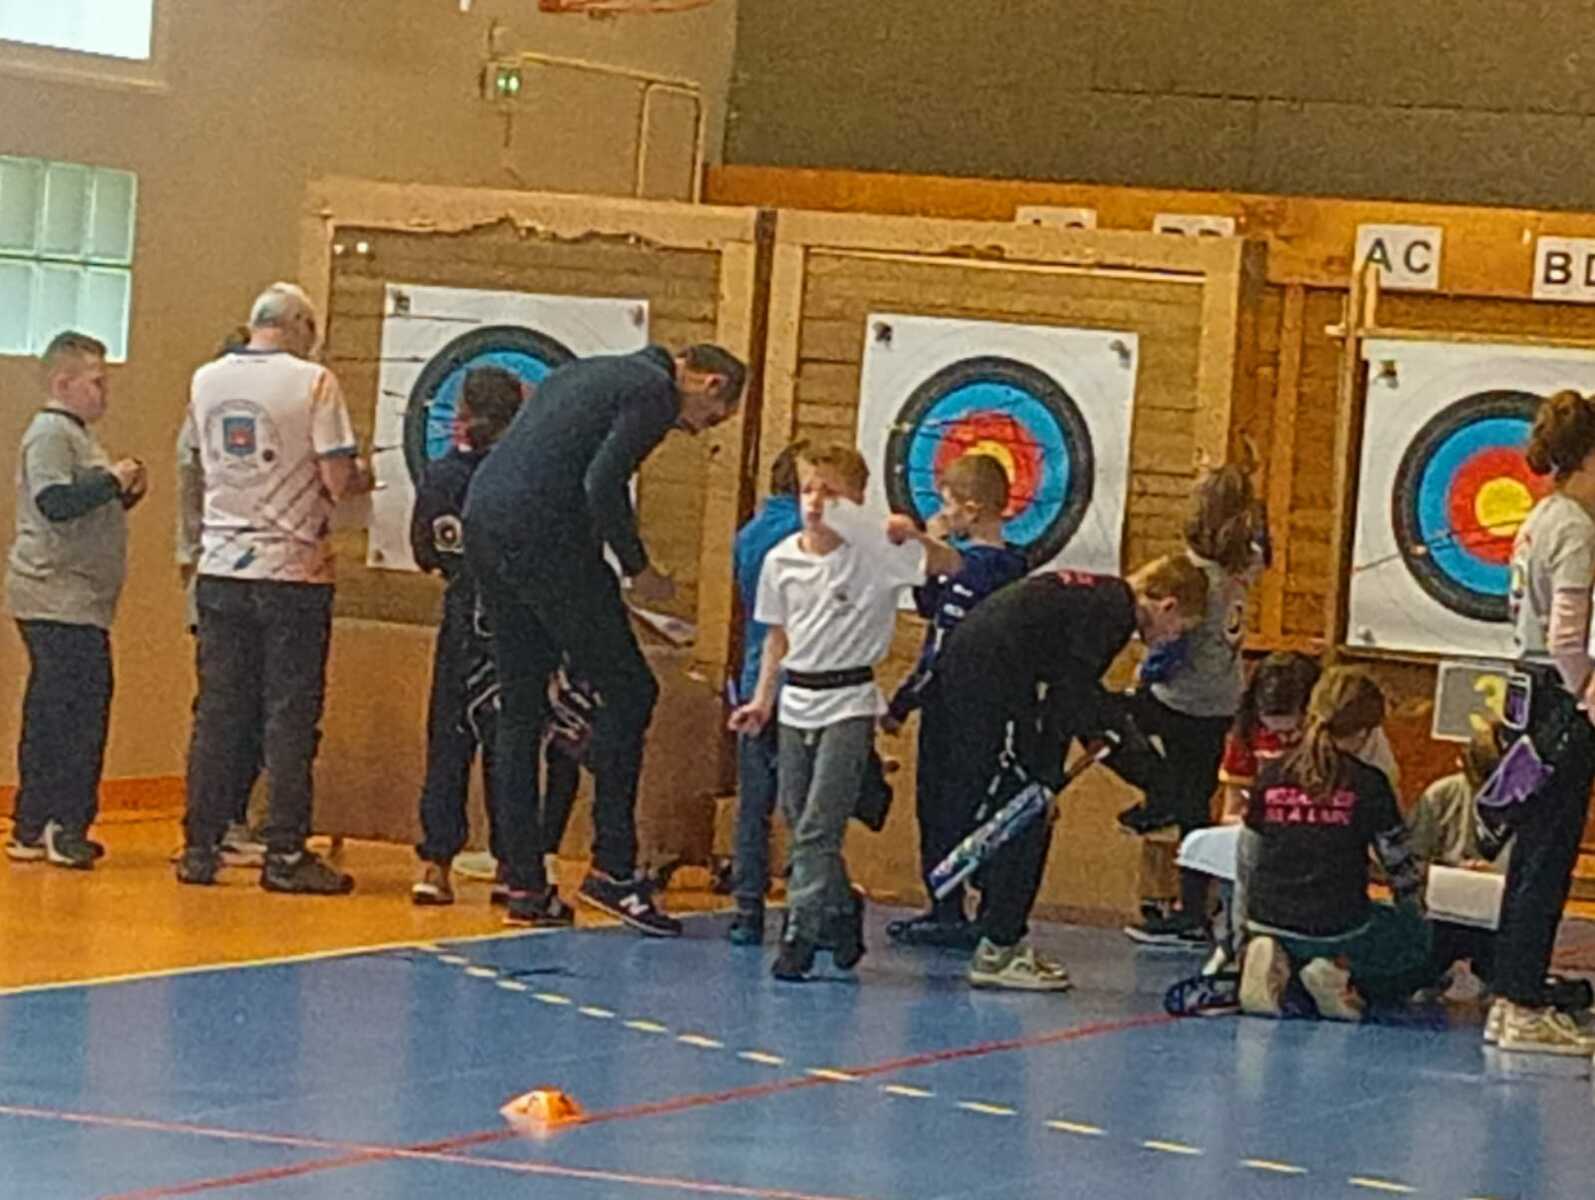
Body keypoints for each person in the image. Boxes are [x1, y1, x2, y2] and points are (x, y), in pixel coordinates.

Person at [463, 343, 746, 935]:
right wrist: (638, 569)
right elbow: (603, 483)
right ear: (710, 383)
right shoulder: (653, 391)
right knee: (632, 689)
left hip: (485, 520)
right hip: (544, 535)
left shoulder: (587, 370)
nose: (697, 431)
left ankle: (524, 880)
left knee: (520, 705)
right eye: (712, 418)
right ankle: (613, 869)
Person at [729, 443, 962, 981]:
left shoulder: (875, 554)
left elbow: (950, 564)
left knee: (820, 824)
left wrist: (917, 537)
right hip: (796, 700)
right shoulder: (781, 559)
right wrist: (762, 700)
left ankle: (800, 931)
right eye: (809, 490)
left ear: (855, 500)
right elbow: (776, 636)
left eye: (831, 493)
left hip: (849, 702)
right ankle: (840, 906)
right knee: (795, 815)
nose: (816, 502)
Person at [926, 555, 1209, 991]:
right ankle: (999, 947)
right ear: (1167, 605)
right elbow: (1073, 698)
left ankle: (997, 930)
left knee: (1027, 804)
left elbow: (1070, 689)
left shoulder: (1097, 597)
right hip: (990, 685)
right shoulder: (1113, 613)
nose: (1173, 639)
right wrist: (1127, 768)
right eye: (1180, 628)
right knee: (1028, 813)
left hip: (990, 680)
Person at [175, 282, 373, 894]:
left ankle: (199, 847)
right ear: (301, 327)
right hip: (292, 571)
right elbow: (336, 481)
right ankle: (284, 852)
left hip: (220, 569)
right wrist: (364, 475)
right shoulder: (315, 382)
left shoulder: (205, 379)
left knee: (218, 712)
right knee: (289, 715)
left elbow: (199, 461)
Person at [410, 366, 575, 922]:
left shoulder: (442, 477)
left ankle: (435, 864)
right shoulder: (526, 474)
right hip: (514, 622)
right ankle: (513, 863)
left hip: (462, 618)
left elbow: (425, 551)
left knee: (449, 740)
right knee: (512, 743)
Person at [5, 332, 146, 869]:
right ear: (63, 383)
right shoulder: (50, 435)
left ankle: (36, 822)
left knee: (59, 708)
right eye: (96, 382)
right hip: (56, 595)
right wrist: (110, 480)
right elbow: (56, 503)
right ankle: (59, 824)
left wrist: (120, 492)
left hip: (78, 598)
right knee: (73, 714)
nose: (104, 392)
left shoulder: (77, 436)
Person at [1116, 462, 1269, 946]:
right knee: (1195, 809)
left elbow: (1172, 647)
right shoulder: (1245, 566)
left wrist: (1143, 674)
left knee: (1110, 719)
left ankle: (1158, 797)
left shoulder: (1193, 577)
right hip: (1220, 702)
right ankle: (1191, 912)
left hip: (1179, 698)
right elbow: (1264, 544)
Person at [881, 453, 1028, 949]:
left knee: (953, 805)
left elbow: (944, 643)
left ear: (972, 508)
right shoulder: (989, 564)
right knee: (953, 803)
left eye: (949, 506)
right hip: (971, 705)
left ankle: (956, 905)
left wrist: (903, 703)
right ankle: (961, 904)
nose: (943, 515)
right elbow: (930, 605)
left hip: (965, 705)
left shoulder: (988, 568)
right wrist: (931, 551)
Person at [1490, 389, 1595, 1054]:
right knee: (1547, 859)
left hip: (1526, 692)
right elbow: (1566, 636)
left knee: (1531, 854)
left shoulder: (1542, 516)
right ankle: (1522, 1005)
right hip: (1560, 698)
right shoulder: (1577, 528)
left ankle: (1511, 998)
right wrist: (1587, 694)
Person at [1240, 670, 1429, 1023]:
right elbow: (1400, 866)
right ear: (1364, 732)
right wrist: (1415, 908)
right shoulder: (1369, 783)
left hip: (1267, 917)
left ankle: (1274, 956)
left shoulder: (1271, 775)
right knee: (1415, 941)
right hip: (1338, 926)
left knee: (1294, 929)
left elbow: (1248, 857)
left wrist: (1241, 928)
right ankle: (1338, 970)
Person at [174, 327, 267, 869]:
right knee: (228, 707)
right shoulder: (210, 425)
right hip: (227, 575)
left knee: (238, 705)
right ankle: (217, 821)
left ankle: (218, 822)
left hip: (225, 573)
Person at [726, 441, 805, 945]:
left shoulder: (749, 533)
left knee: (753, 801)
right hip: (798, 680)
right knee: (806, 805)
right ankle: (803, 909)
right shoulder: (809, 535)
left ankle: (747, 908)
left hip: (755, 673)